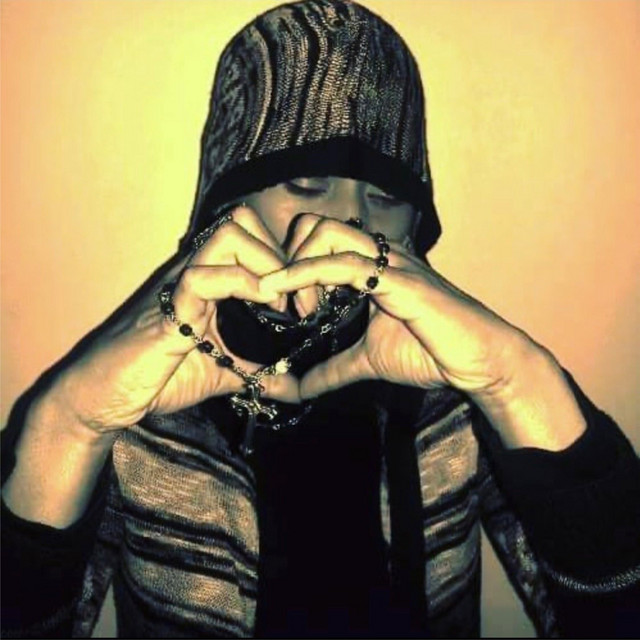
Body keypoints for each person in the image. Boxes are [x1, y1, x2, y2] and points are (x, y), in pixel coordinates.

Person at [2, 0, 639, 637]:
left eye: (386, 195)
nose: (347, 219)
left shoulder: (452, 399)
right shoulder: (145, 399)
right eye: (305, 183)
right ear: (228, 199)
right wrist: (69, 424)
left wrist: (514, 380)